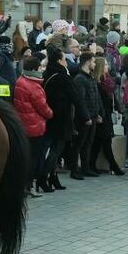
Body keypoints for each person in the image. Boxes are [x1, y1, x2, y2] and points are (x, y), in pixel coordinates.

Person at [42, 44, 82, 189]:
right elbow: (75, 97)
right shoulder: (62, 76)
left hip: (50, 117)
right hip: (61, 118)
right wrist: (84, 114)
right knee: (56, 150)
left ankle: (52, 178)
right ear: (59, 61)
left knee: (51, 149)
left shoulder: (47, 73)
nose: (66, 61)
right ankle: (43, 175)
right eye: (64, 59)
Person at [14, 56, 53, 195]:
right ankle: (29, 185)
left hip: (23, 126)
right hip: (35, 127)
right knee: (34, 158)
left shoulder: (20, 81)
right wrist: (50, 114)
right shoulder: (34, 86)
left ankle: (23, 185)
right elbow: (43, 108)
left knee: (26, 157)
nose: (42, 69)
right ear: (34, 69)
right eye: (40, 67)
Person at [91, 56, 126, 174]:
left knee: (100, 141)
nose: (108, 66)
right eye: (105, 65)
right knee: (104, 140)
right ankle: (113, 166)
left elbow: (113, 97)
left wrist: (118, 108)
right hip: (102, 115)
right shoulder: (98, 83)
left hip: (108, 114)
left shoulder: (107, 81)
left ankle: (92, 164)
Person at [71, 52, 101, 178]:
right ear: (88, 62)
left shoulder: (90, 77)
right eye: (93, 62)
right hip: (84, 118)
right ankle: (74, 170)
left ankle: (85, 167)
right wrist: (86, 116)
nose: (94, 64)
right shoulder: (79, 79)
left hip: (93, 115)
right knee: (79, 144)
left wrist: (98, 113)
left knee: (88, 143)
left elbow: (95, 97)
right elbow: (80, 100)